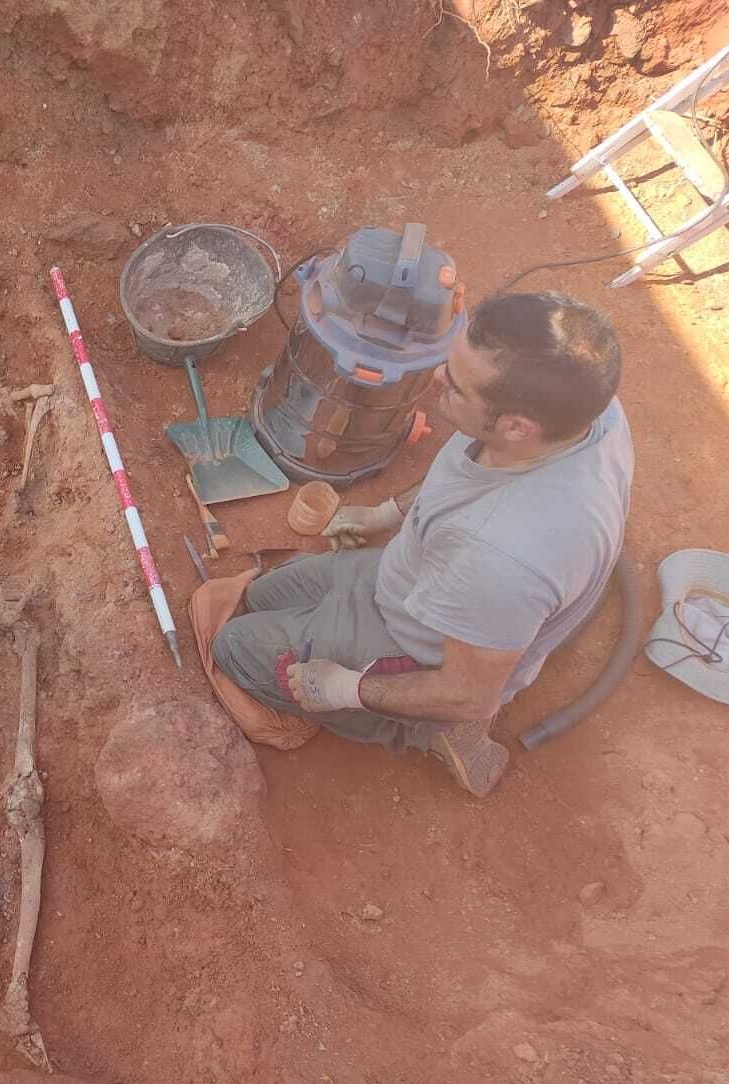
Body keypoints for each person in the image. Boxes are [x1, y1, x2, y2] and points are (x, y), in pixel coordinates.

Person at [212, 291, 633, 796]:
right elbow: (466, 475)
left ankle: (427, 732)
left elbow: (468, 694)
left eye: (456, 386)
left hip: (419, 649)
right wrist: (386, 513)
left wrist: (348, 688)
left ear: (518, 426)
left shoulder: (500, 558)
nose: (436, 378)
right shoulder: (589, 410)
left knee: (232, 648)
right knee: (260, 595)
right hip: (412, 576)